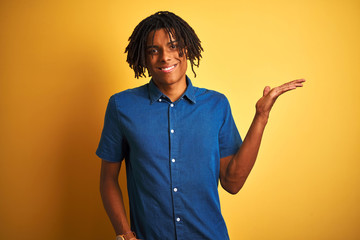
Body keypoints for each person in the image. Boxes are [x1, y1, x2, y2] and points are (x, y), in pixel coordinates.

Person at [96, 11, 305, 240]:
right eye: (153, 50)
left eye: (173, 46)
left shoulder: (216, 105)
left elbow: (232, 182)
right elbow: (108, 179)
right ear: (143, 58)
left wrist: (261, 116)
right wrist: (124, 234)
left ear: (187, 49)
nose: (165, 57)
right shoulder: (121, 106)